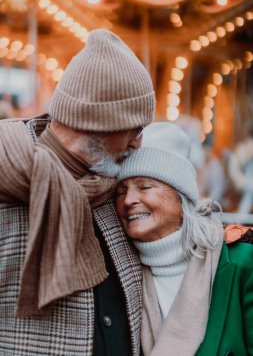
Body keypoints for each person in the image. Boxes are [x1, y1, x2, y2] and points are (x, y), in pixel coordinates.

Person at [0, 29, 156, 356]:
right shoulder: (9, 183)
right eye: (135, 128)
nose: (137, 143)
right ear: (98, 120)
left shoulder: (115, 186)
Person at [115, 122, 253, 356]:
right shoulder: (118, 273)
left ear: (181, 196)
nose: (128, 200)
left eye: (145, 186)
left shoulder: (242, 261)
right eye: (120, 191)